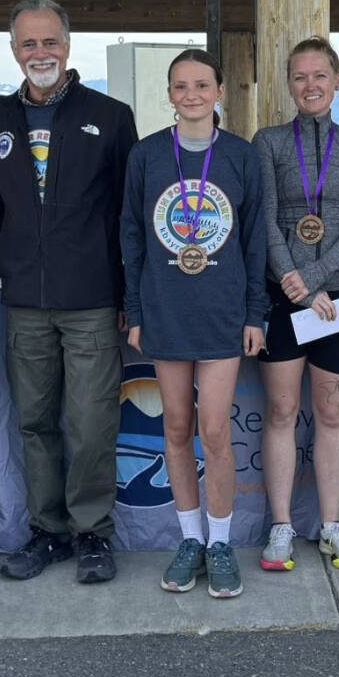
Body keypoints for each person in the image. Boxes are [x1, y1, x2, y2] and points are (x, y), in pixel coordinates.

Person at [0, 0, 138, 585]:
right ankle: (47, 531)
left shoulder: (110, 115)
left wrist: (134, 298)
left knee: (90, 423)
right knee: (34, 423)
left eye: (49, 41)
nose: (40, 53)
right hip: (25, 299)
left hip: (91, 299)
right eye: (28, 44)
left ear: (68, 45)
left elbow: (128, 214)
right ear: (13, 51)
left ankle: (92, 534)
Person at [121, 49, 267, 599]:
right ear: (170, 94)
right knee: (176, 430)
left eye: (201, 85)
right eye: (181, 86)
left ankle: (222, 541)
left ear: (220, 92)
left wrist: (257, 313)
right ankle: (190, 539)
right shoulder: (146, 156)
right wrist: (135, 312)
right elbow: (131, 236)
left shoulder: (240, 157)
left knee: (214, 433)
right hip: (164, 312)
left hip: (223, 314)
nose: (191, 95)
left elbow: (254, 241)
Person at [253, 37, 339, 573]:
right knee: (281, 413)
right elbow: (264, 218)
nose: (310, 85)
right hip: (285, 298)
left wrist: (318, 278)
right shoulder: (268, 141)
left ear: (336, 80)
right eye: (300, 77)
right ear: (289, 84)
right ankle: (281, 527)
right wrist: (295, 283)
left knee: (331, 415)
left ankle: (332, 526)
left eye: (319, 76)